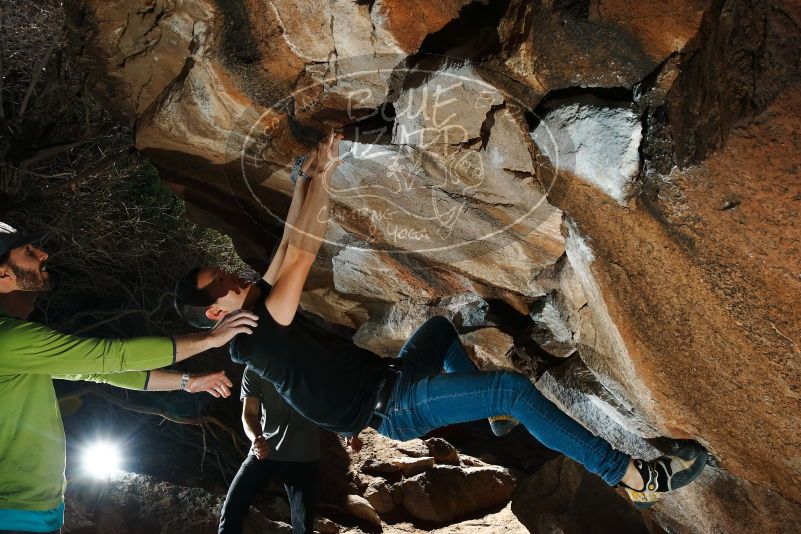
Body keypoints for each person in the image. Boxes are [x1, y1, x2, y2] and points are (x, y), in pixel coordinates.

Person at [174, 132, 707, 510]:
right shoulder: (261, 334)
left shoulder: (253, 311)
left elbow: (288, 242)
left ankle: (496, 419)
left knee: (439, 331)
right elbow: (305, 253)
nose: (226, 275)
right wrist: (326, 176)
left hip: (395, 376)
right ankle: (634, 478)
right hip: (396, 407)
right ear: (216, 311)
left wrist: (303, 182)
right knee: (511, 389)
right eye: (215, 284)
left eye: (219, 270)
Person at [0, 222, 258, 534]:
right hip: (13, 514)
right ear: (4, 274)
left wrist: (186, 382)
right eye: (28, 251)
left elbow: (100, 370)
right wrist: (208, 340)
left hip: (36, 509)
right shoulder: (7, 340)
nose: (43, 253)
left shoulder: (14, 343)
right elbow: (110, 355)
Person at [218, 368, 320, 534]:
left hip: (304, 453)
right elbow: (249, 414)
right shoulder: (253, 367)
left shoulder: (311, 363)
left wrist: (349, 430)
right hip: (265, 449)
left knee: (303, 526)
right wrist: (257, 439)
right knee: (232, 510)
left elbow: (333, 403)